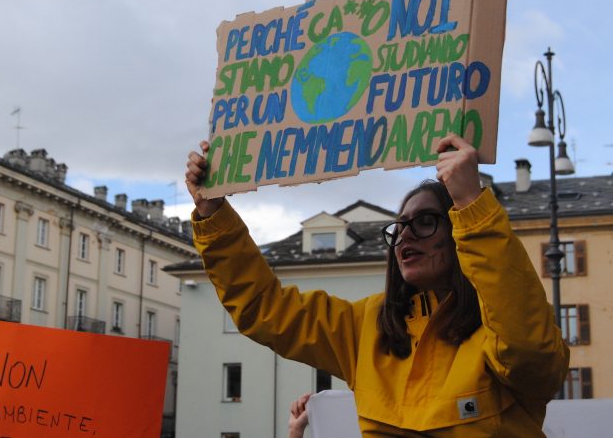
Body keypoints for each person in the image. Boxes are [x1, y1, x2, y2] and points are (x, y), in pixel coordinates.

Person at [185, 133, 569, 436]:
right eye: (398, 229)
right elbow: (263, 309)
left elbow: (529, 352)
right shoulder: (365, 327)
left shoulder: (497, 335)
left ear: (460, 230)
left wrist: (471, 200)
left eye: (424, 223)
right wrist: (212, 213)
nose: (405, 239)